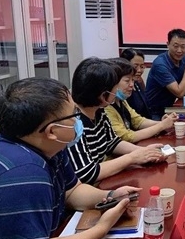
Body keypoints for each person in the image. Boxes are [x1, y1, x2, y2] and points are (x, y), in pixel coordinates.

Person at [0, 78, 141, 239]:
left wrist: (109, 195)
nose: (79, 119)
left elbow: (72, 191)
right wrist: (100, 229)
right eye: (74, 114)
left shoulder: (47, 145)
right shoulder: (22, 175)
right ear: (52, 131)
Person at [68, 57, 166, 185]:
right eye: (115, 87)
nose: (116, 91)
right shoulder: (74, 124)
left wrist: (142, 152)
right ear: (103, 95)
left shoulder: (99, 111)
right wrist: (132, 158)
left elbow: (112, 143)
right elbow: (87, 173)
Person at [105, 58, 178, 143]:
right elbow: (126, 137)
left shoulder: (121, 100)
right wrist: (161, 125)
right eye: (127, 81)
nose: (132, 85)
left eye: (133, 80)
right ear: (113, 82)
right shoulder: (106, 107)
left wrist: (163, 123)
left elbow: (138, 121)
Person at [146, 29, 185, 119]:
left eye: (183, 46)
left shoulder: (183, 59)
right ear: (168, 44)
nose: (179, 50)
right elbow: (179, 93)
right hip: (154, 113)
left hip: (169, 109)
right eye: (175, 46)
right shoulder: (160, 65)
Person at [120, 48, 151, 119]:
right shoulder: (122, 89)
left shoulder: (138, 82)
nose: (139, 70)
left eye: (142, 66)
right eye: (135, 66)